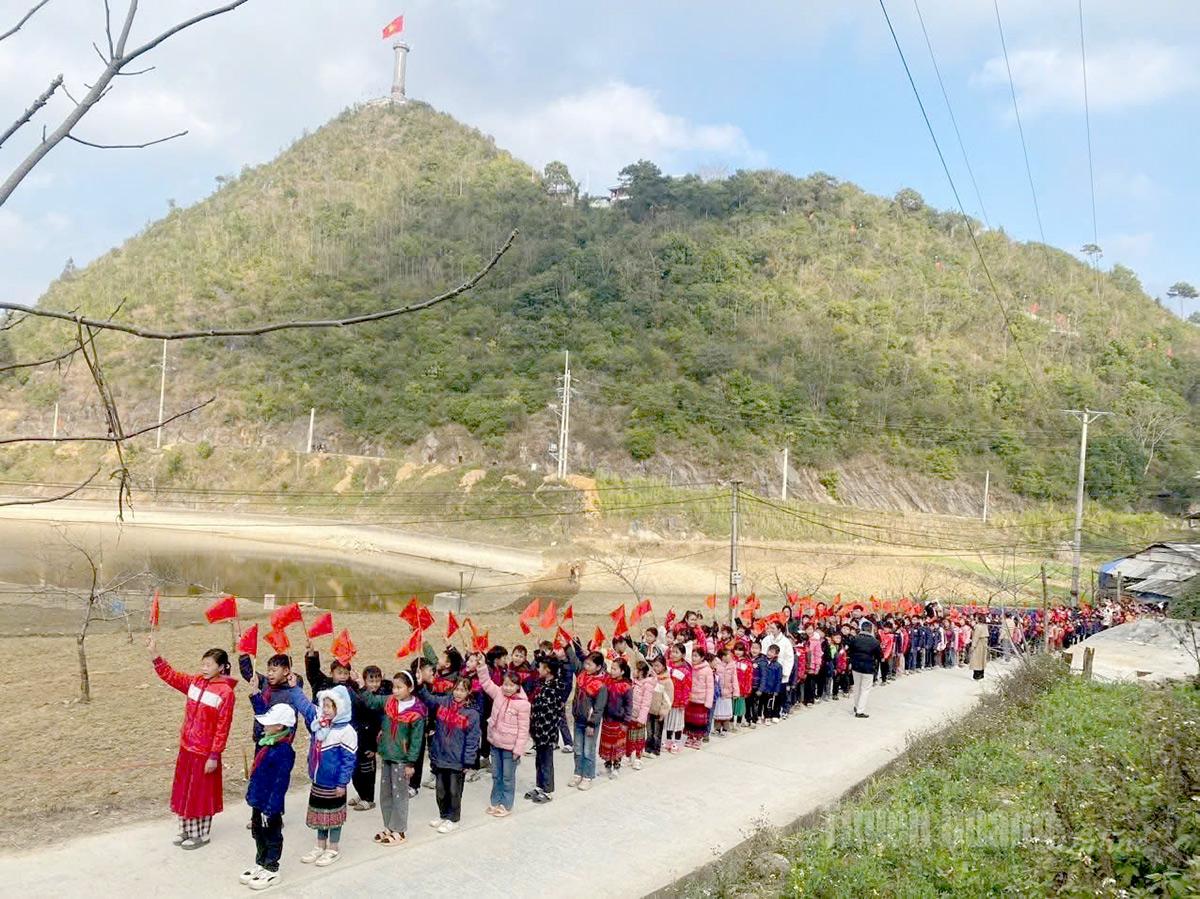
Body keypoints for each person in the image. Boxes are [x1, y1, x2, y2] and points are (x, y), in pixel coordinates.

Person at [148, 634, 237, 850]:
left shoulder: (225, 693)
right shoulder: (195, 682)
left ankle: (201, 834)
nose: (204, 668)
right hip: (187, 747)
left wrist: (214, 755)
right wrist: (155, 655)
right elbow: (171, 676)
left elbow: (222, 727)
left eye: (209, 664)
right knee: (184, 790)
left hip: (205, 752)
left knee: (200, 793)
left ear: (222, 667)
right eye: (202, 663)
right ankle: (187, 828)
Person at [354, 670, 426, 845]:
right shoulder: (389, 702)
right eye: (394, 686)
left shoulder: (416, 712)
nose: (395, 691)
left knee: (400, 795)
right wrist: (361, 686)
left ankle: (399, 830)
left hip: (402, 759)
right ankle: (389, 826)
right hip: (387, 754)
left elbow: (416, 741)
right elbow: (371, 701)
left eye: (399, 687)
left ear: (410, 688)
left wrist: (411, 763)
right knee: (385, 794)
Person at [293, 685, 358, 867]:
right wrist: (293, 688)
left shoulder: (346, 732)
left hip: (334, 783)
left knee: (334, 815)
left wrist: (342, 783)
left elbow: (348, 761)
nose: (326, 710)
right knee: (320, 814)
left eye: (331, 706)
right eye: (325, 705)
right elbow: (305, 706)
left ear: (341, 708)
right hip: (318, 779)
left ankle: (333, 848)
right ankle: (320, 845)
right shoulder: (320, 725)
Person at [240, 694, 297, 891]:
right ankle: (260, 862)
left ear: (280, 726)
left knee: (272, 834)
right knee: (258, 832)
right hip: (258, 799)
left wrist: (271, 807)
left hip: (270, 805)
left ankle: (272, 868)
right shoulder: (266, 742)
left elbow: (280, 783)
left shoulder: (284, 751)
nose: (264, 726)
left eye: (269, 723)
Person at [415, 672, 481, 833]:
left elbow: (473, 741)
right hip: (440, 756)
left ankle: (454, 818)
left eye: (463, 690)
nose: (458, 693)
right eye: (457, 689)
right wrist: (420, 685)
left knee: (454, 791)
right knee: (441, 790)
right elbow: (428, 698)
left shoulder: (472, 714)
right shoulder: (443, 702)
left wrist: (468, 761)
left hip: (457, 760)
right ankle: (443, 815)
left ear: (469, 692)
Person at [475, 655, 531, 816]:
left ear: (518, 687)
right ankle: (495, 801)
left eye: (511, 685)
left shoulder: (523, 704)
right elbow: (486, 683)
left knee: (507, 778)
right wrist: (482, 666)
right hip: (495, 744)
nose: (507, 688)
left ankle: (506, 805)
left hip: (510, 748)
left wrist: (518, 749)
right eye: (505, 684)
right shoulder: (498, 694)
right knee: (496, 776)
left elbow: (523, 729)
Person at [566, 642, 608, 790]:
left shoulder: (601, 685)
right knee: (577, 749)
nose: (586, 666)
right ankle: (578, 773)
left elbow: (599, 708)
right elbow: (573, 660)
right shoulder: (581, 674)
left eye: (590, 665)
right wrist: (567, 646)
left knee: (588, 750)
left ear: (598, 667)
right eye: (586, 663)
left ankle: (588, 776)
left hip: (590, 724)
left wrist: (592, 723)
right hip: (578, 719)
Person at [527, 655, 568, 802]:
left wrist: (548, 731)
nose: (538, 669)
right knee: (539, 759)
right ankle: (539, 785)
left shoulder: (556, 686)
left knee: (547, 760)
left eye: (541, 667)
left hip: (548, 731)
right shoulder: (542, 683)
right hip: (538, 729)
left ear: (548, 670)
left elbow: (553, 712)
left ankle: (548, 790)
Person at [600, 658, 634, 778]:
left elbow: (629, 706)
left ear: (622, 671)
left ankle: (617, 765)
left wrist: (626, 721)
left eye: (615, 669)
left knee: (617, 744)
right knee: (607, 743)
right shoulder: (608, 681)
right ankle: (607, 763)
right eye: (611, 668)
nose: (612, 671)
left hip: (619, 721)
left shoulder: (626, 687)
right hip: (607, 718)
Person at [847, 620, 883, 718]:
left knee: (857, 687)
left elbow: (849, 651)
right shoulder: (875, 642)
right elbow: (880, 655)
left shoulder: (855, 639)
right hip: (868, 667)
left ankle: (856, 705)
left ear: (861, 628)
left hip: (856, 666)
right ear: (871, 629)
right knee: (865, 689)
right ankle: (860, 711)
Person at [626, 660, 655, 769]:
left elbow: (646, 704)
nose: (634, 671)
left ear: (642, 672)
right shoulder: (633, 682)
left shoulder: (647, 685)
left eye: (636, 670)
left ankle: (638, 758)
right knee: (629, 737)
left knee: (639, 739)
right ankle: (628, 756)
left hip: (639, 718)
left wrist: (641, 719)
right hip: (631, 716)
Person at [684, 650, 714, 749]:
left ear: (702, 658)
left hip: (701, 700)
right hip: (691, 698)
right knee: (690, 719)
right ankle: (690, 736)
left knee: (699, 720)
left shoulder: (707, 670)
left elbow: (710, 687)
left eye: (696, 656)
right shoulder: (690, 667)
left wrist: (708, 702)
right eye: (692, 656)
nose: (693, 658)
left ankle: (698, 738)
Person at [665, 644, 692, 752]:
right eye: (672, 652)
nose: (673, 654)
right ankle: (668, 740)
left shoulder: (685, 670)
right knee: (668, 721)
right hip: (668, 700)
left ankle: (676, 742)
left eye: (676, 652)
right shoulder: (667, 666)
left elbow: (687, 688)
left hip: (679, 701)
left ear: (683, 655)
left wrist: (684, 702)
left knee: (677, 722)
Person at [646, 656, 673, 755]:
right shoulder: (652, 678)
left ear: (664, 666)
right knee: (649, 731)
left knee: (657, 733)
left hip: (658, 712)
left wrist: (663, 711)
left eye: (657, 666)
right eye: (653, 666)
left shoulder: (667, 681)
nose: (655, 668)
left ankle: (656, 749)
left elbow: (668, 699)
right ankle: (648, 747)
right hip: (649, 709)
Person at [969, 615, 990, 680]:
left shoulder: (978, 626)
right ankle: (981, 674)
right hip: (984, 643)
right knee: (982, 659)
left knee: (977, 659)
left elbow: (976, 637)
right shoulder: (985, 626)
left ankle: (977, 675)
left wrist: (973, 646)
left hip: (979, 644)